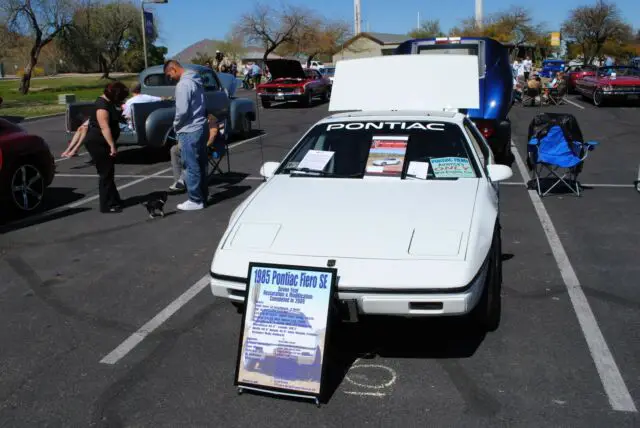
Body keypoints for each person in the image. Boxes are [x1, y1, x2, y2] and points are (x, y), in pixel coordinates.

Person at [164, 60, 209, 211]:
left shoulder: (183, 84)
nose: (170, 78)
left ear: (174, 69)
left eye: (169, 74)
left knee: (190, 166)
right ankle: (202, 196)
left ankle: (195, 200)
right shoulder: (196, 80)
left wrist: (176, 124)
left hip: (189, 129)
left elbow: (182, 111)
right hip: (201, 126)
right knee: (200, 164)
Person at [83, 82, 129, 213]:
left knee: (109, 172)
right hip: (98, 142)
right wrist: (112, 146)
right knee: (105, 174)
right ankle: (107, 205)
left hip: (103, 142)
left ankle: (115, 199)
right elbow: (104, 127)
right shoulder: (102, 106)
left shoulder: (107, 103)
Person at [169, 115, 221, 191]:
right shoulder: (194, 118)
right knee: (174, 149)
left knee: (187, 152)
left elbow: (212, 137)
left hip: (206, 147)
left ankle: (183, 180)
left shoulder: (211, 119)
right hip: (192, 144)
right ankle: (178, 181)